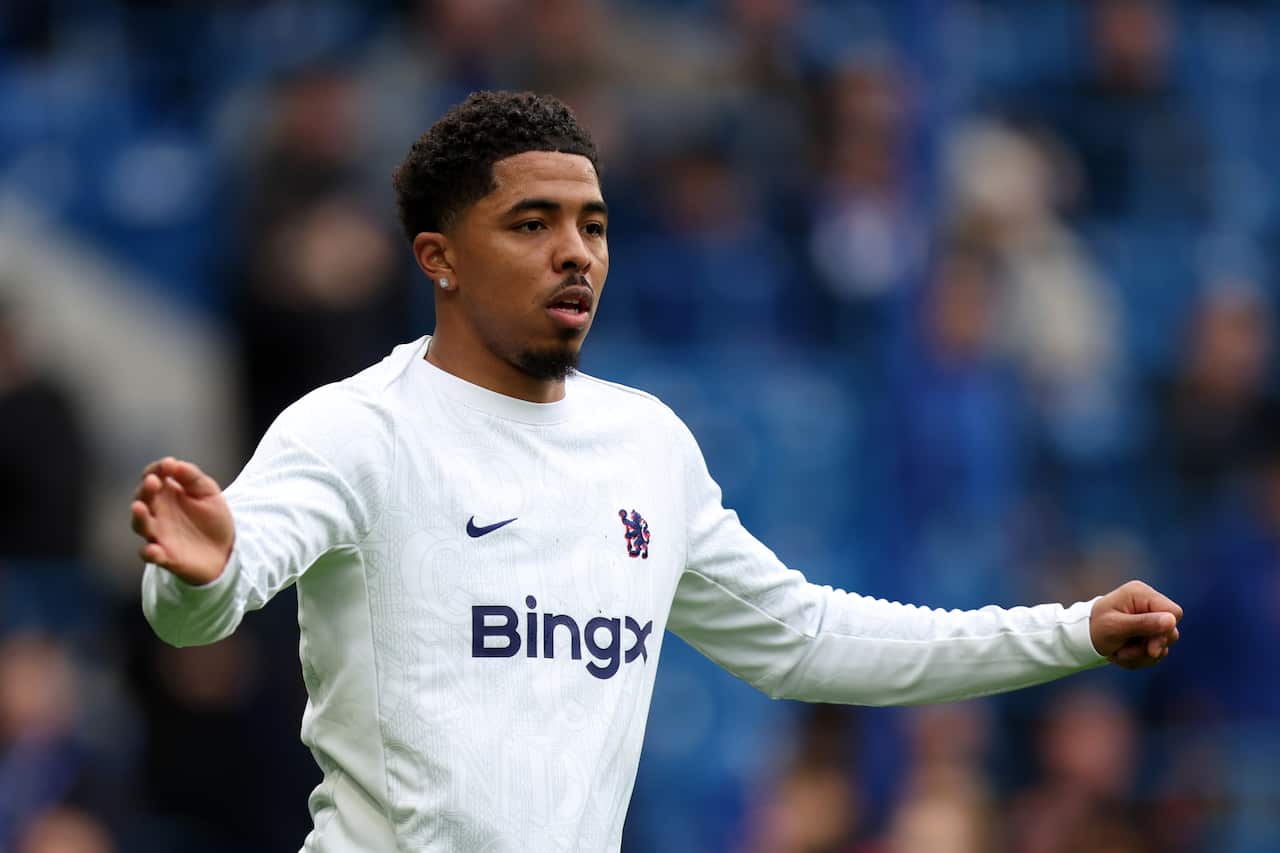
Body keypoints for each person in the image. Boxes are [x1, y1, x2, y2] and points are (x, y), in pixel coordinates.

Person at [131, 91, 1182, 853]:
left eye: (592, 225)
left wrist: (1065, 630)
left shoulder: (645, 445)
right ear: (437, 257)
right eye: (530, 224)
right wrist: (197, 574)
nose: (575, 253)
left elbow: (806, 638)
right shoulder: (356, 428)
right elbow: (206, 606)